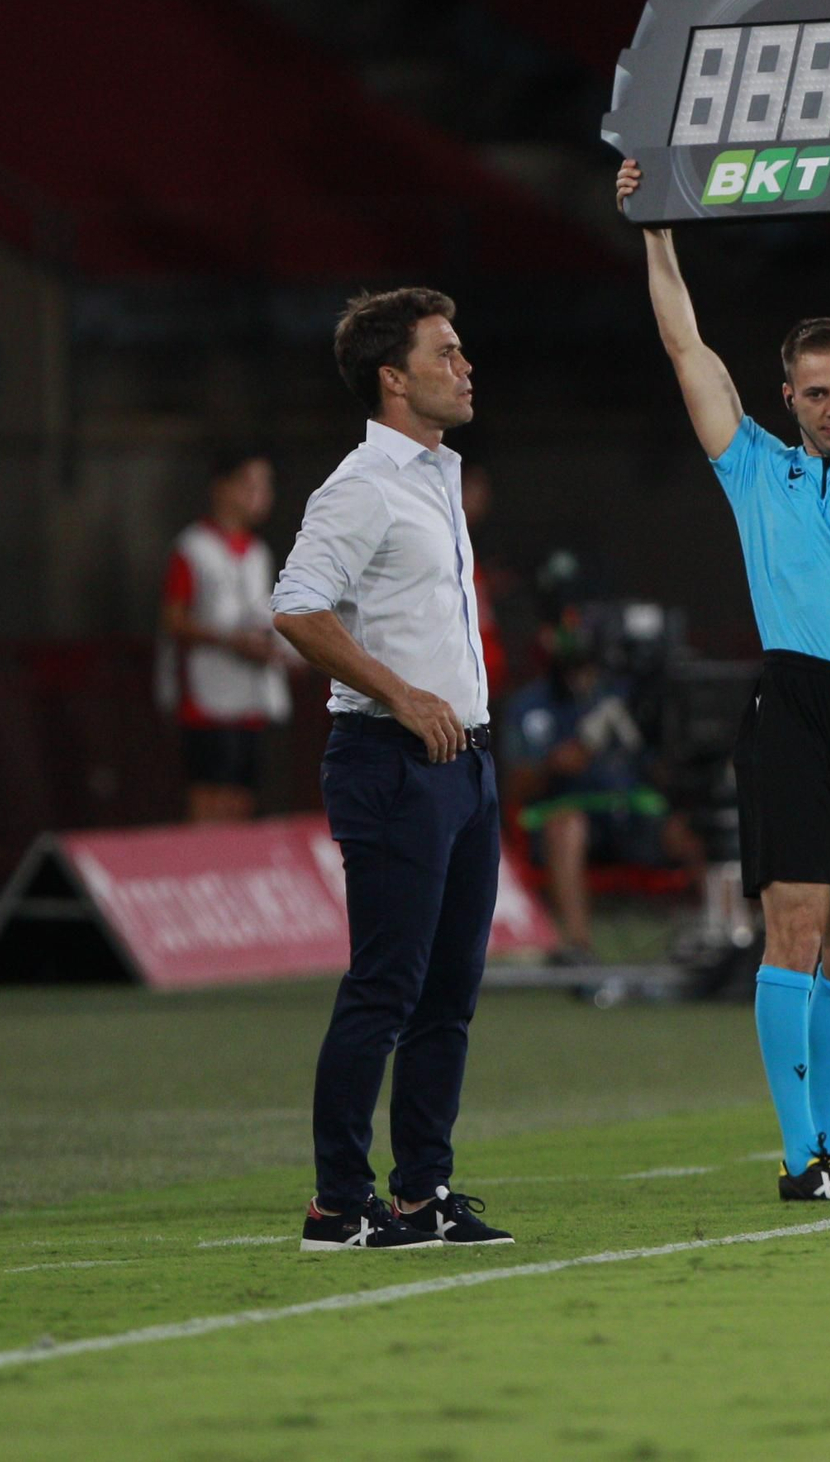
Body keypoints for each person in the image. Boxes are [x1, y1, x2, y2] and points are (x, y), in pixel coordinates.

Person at [615, 140, 830, 1203]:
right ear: (789, 397)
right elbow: (683, 348)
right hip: (796, 703)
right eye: (817, 391)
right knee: (793, 923)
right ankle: (800, 1156)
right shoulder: (756, 465)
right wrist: (656, 228)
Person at [271, 288, 513, 1252]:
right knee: (386, 988)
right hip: (392, 760)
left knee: (447, 995)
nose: (464, 366)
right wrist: (404, 696)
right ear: (393, 378)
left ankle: (422, 1193)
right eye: (446, 353)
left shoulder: (434, 475)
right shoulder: (363, 484)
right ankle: (337, 1201)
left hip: (465, 766)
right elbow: (296, 607)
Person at [497, 622, 702, 962]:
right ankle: (579, 950)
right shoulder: (530, 704)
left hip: (630, 815)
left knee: (695, 829)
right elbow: (515, 787)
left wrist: (650, 736)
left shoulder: (622, 695)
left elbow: (659, 772)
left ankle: (717, 943)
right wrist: (555, 763)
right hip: (569, 818)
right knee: (568, 826)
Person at [158, 446, 290, 822]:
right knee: (209, 797)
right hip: (206, 698)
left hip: (250, 699)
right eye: (251, 486)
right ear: (222, 488)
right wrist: (231, 641)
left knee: (241, 798)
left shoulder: (259, 552)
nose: (261, 497)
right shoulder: (193, 548)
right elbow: (174, 620)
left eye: (266, 488)